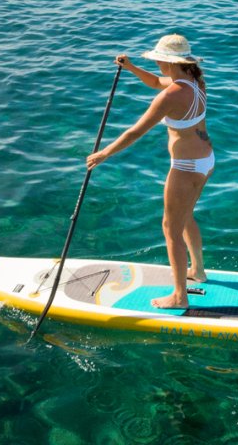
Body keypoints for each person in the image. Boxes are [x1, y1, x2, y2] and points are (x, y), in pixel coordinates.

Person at [86, 34, 214, 309]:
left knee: (170, 228)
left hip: (186, 167)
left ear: (169, 61)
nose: (155, 61)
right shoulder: (195, 81)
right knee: (185, 216)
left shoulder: (171, 96)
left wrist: (104, 154)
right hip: (205, 160)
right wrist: (131, 67)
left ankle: (179, 296)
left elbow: (135, 132)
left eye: (158, 57)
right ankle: (198, 271)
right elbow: (156, 81)